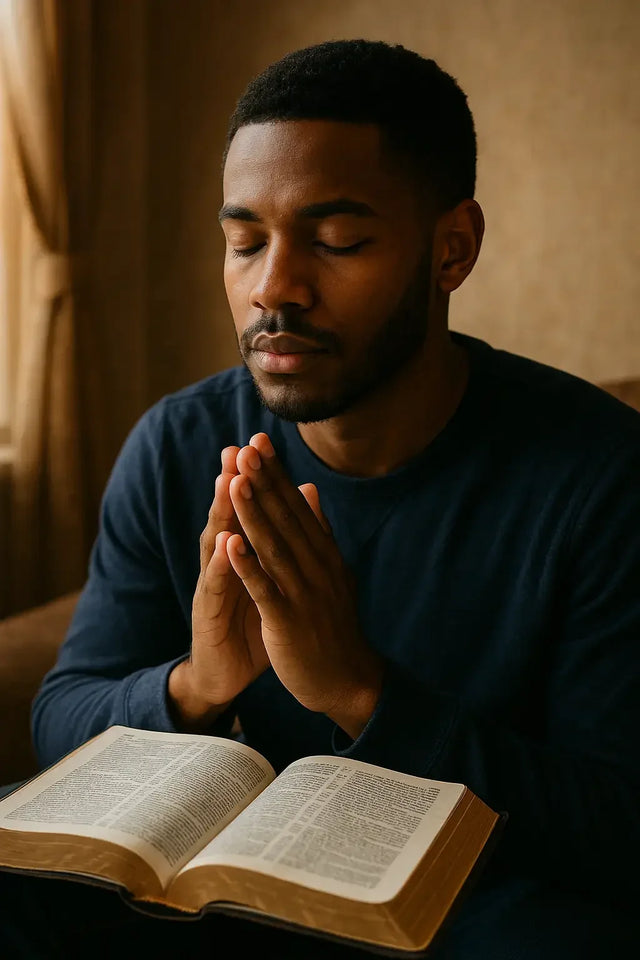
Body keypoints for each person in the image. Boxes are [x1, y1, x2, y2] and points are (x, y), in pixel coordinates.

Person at [1, 38, 639, 959]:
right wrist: (197, 684)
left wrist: (359, 691)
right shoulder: (179, 445)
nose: (274, 287)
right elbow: (61, 712)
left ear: (451, 248)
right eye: (245, 241)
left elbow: (619, 820)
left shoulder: (599, 476)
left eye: (338, 241)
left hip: (458, 918)